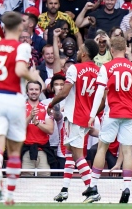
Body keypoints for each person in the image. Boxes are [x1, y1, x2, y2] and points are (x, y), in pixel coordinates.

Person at [0, 11, 41, 205]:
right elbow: (21, 70)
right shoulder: (22, 47)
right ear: (20, 27)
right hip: (15, 99)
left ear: (3, 27)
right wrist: (33, 76)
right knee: (14, 151)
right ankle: (10, 195)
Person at [85, 36, 132, 203]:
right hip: (130, 114)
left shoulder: (106, 67)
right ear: (126, 49)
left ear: (111, 50)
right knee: (126, 150)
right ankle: (126, 188)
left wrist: (92, 114)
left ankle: (93, 186)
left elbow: (98, 93)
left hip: (112, 113)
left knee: (102, 148)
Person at [47, 39, 99, 202]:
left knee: (77, 155)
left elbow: (63, 93)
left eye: (80, 49)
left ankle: (92, 189)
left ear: (84, 53)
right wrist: (94, 112)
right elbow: (103, 97)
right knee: (70, 151)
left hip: (75, 116)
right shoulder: (99, 71)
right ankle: (65, 189)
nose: (77, 51)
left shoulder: (75, 69)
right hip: (87, 115)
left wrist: (51, 103)